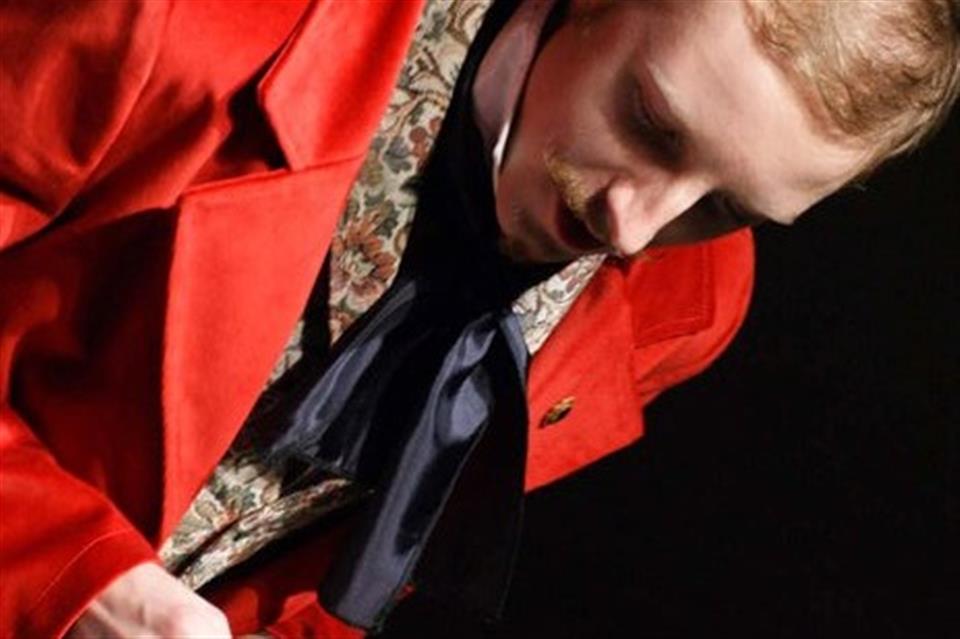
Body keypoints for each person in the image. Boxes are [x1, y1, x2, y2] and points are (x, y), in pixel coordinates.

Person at [0, 0, 956, 637]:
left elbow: (333, 568)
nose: (632, 228)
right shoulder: (198, 21)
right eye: (651, 123)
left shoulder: (688, 301)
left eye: (726, 207)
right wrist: (72, 578)